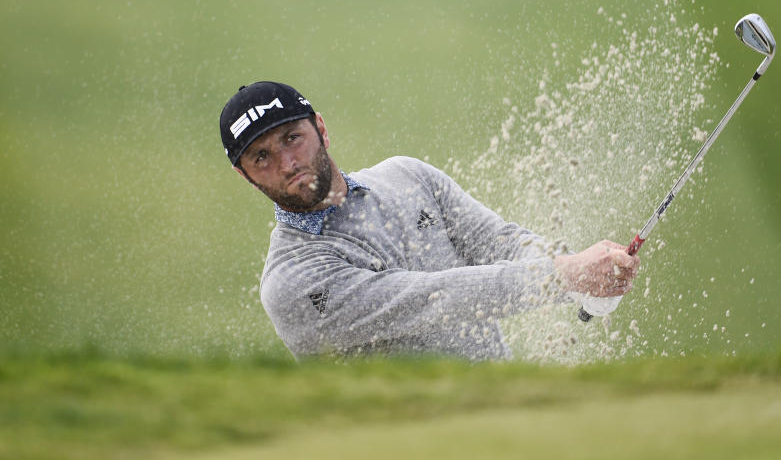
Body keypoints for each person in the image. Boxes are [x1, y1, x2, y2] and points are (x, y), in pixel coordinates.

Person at [220, 81, 640, 360]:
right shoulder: (292, 282)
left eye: (293, 138)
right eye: (263, 157)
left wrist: (580, 273)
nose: (288, 162)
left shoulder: (408, 176)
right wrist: (565, 276)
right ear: (245, 176)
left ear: (321, 130)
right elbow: (434, 298)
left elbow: (501, 242)